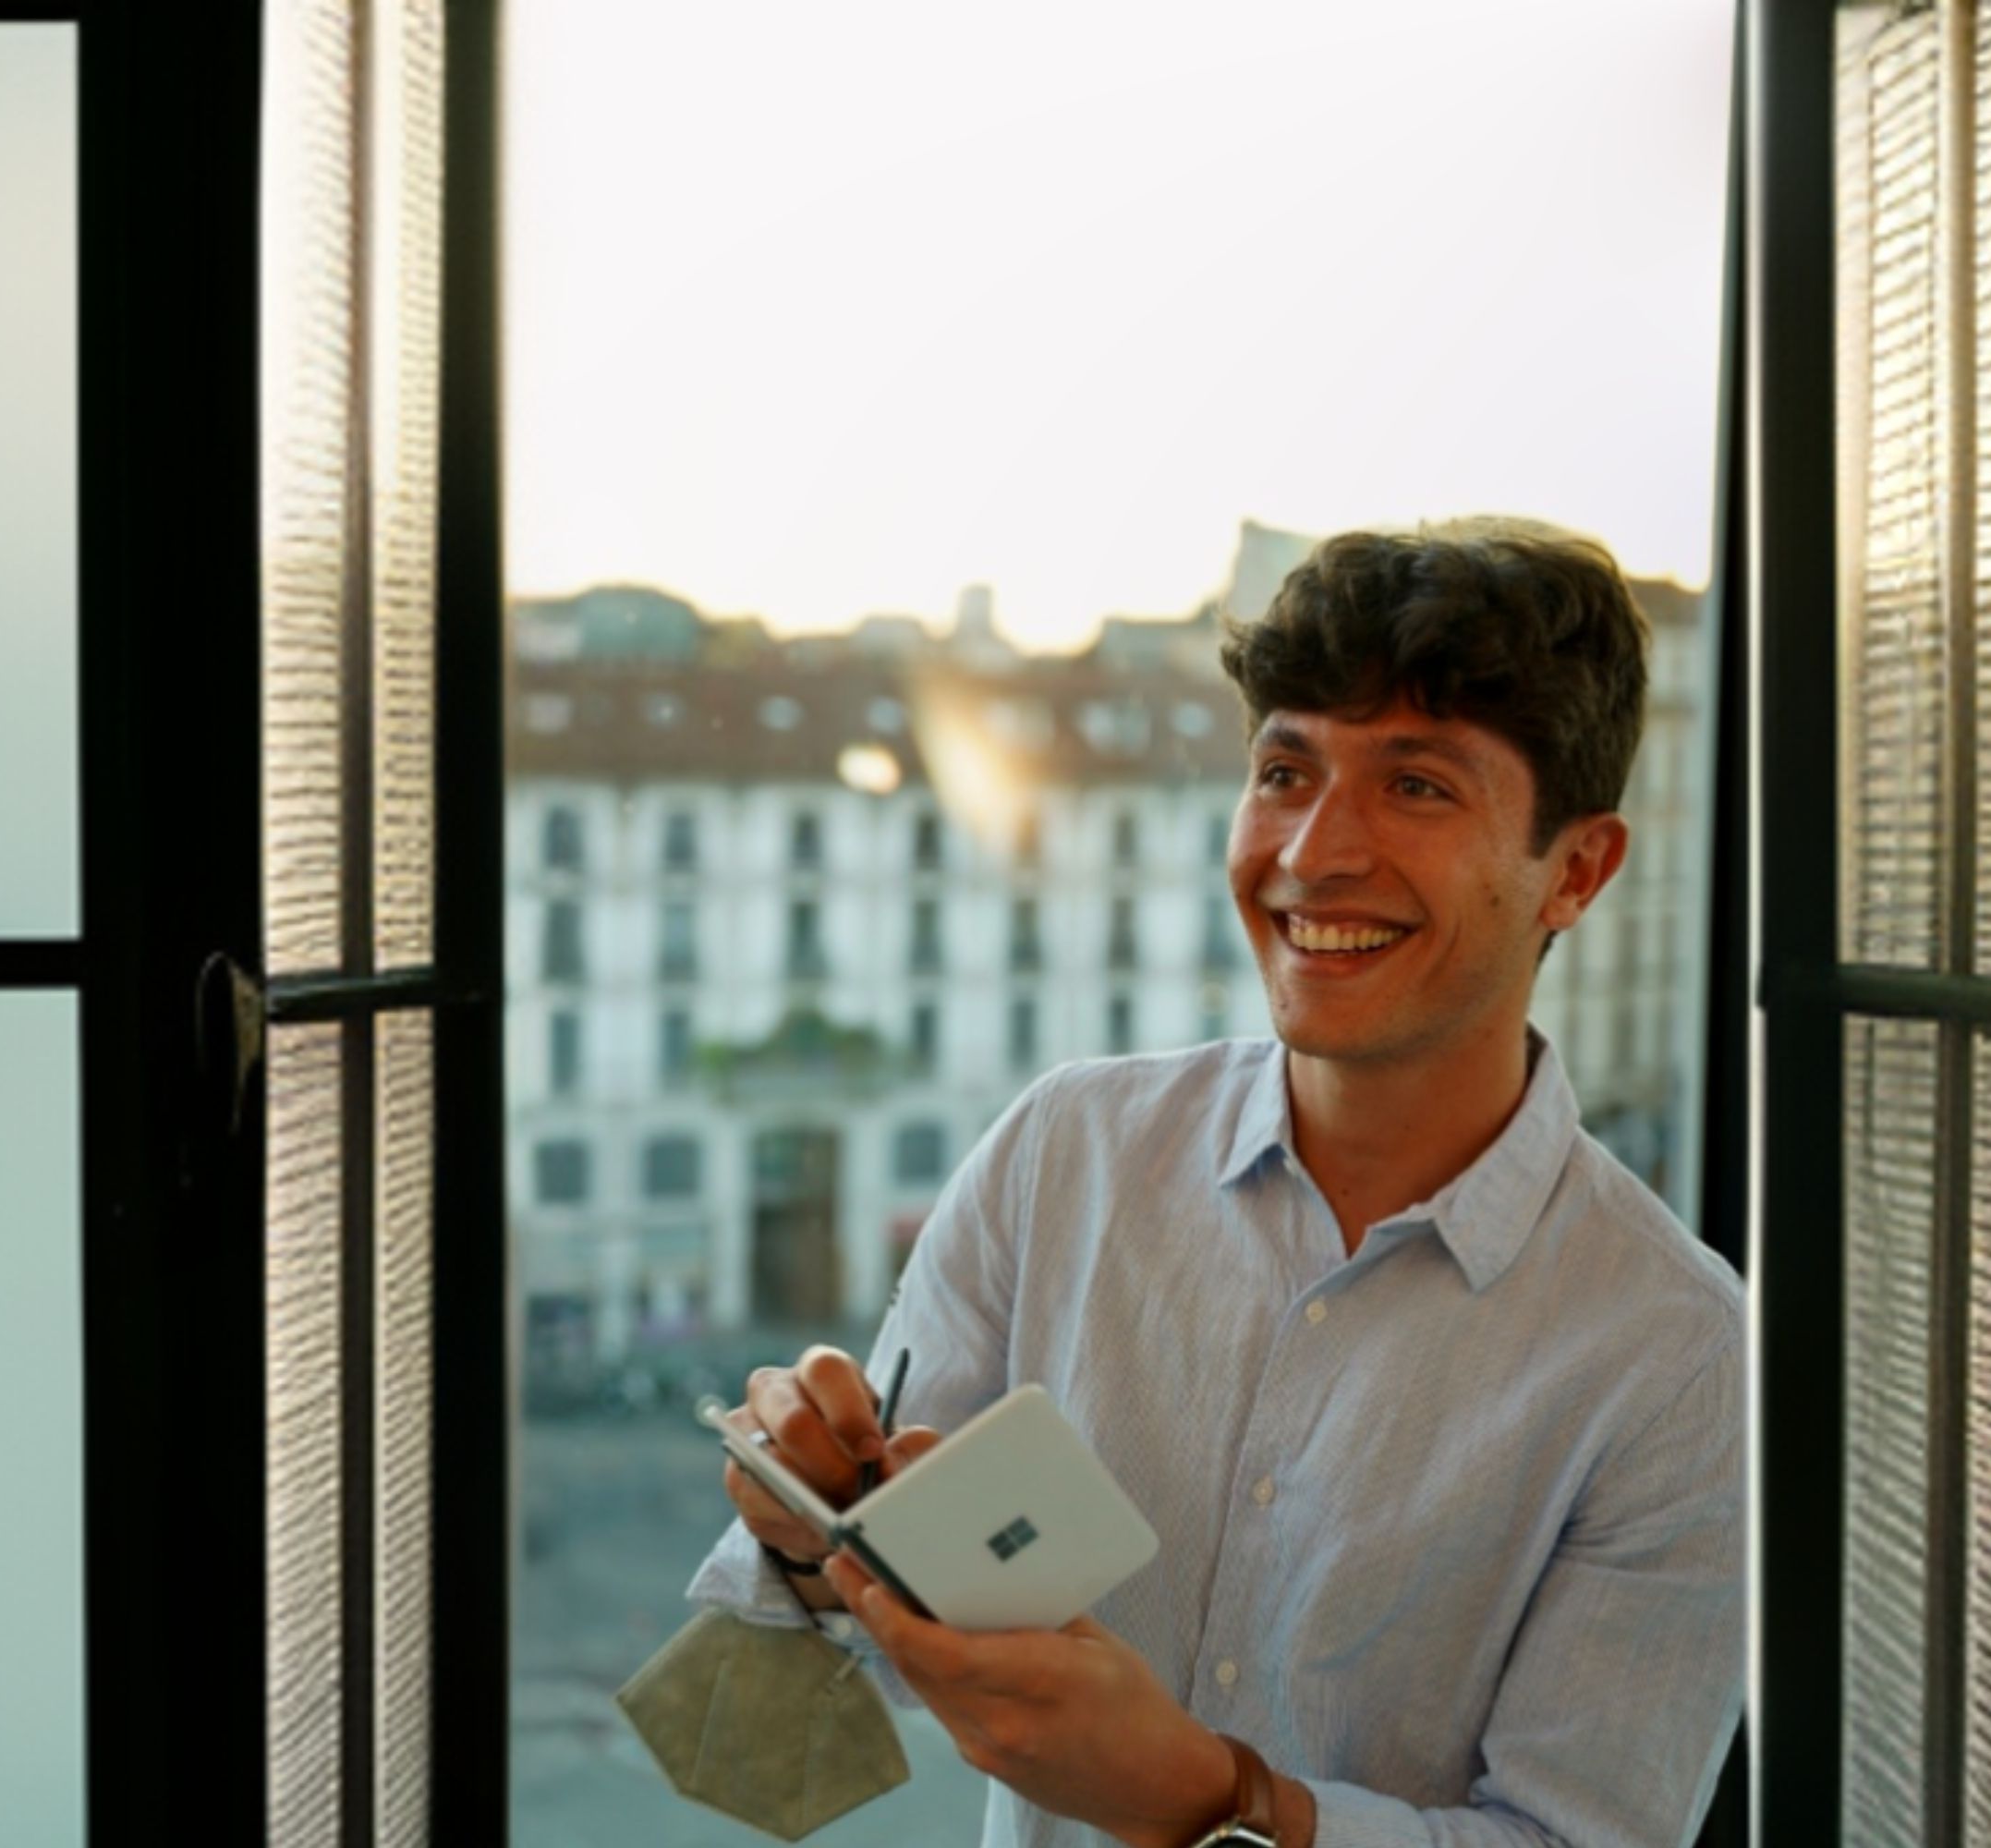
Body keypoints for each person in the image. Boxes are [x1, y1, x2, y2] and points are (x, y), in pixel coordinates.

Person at [686, 516, 1743, 1847]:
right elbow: (800, 1702)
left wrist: (1218, 1804)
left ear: (1576, 871)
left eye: (1416, 786)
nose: (1312, 852)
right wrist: (805, 1534)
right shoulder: (1062, 1150)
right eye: (1286, 771)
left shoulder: (1683, 1357)